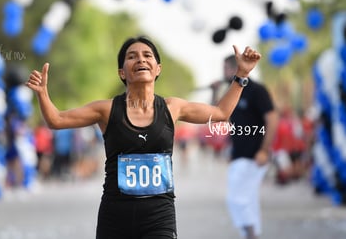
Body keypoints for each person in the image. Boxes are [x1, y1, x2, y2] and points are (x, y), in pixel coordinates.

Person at [26, 36, 261, 239]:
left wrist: (241, 75)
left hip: (159, 214)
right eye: (132, 56)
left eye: (147, 55)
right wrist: (42, 94)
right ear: (121, 72)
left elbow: (220, 113)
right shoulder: (106, 110)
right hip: (115, 213)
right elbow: (56, 120)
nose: (141, 59)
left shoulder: (172, 108)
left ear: (157, 68)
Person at [214, 55, 279, 239]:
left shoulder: (257, 90)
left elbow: (272, 119)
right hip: (238, 155)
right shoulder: (232, 92)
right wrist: (214, 92)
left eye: (226, 68)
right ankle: (251, 234)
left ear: (236, 69)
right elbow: (216, 115)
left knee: (237, 199)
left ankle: (251, 235)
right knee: (248, 200)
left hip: (254, 155)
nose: (223, 73)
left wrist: (264, 150)